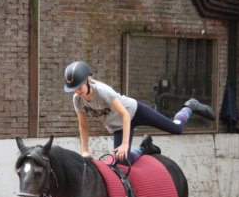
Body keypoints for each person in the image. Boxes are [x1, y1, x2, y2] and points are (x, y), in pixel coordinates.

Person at [64, 60, 215, 163]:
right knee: (123, 160)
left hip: (134, 112)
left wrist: (124, 144)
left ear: (87, 81)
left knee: (177, 128)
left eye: (79, 87)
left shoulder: (102, 91)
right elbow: (83, 126)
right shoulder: (78, 100)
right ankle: (145, 148)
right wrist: (85, 151)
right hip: (119, 126)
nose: (77, 91)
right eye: (73, 89)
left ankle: (190, 106)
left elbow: (125, 115)